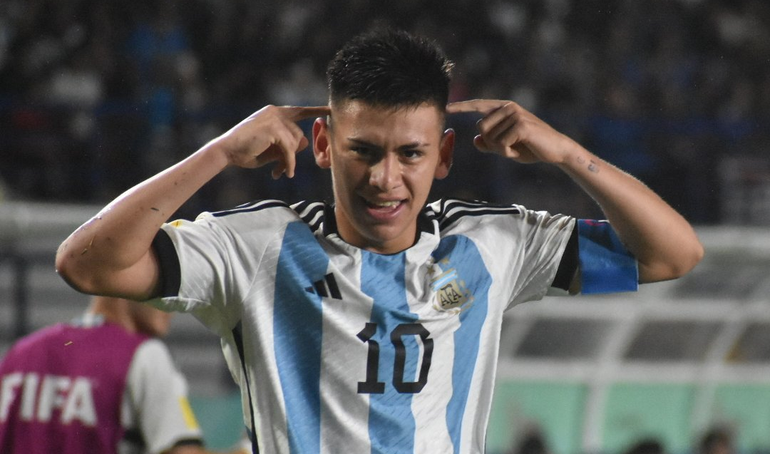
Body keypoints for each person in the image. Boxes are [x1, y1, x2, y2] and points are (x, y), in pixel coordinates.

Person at [54, 28, 704, 453]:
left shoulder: (492, 245)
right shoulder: (256, 249)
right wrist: (219, 152)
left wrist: (566, 153)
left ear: (443, 155)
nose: (384, 178)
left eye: (410, 154)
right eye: (362, 150)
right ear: (323, 143)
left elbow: (673, 254)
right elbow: (87, 264)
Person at [0, 295, 247, 454]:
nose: (174, 304)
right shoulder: (143, 354)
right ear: (122, 278)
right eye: (159, 282)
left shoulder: (20, 354)